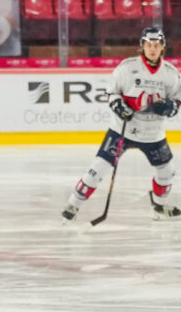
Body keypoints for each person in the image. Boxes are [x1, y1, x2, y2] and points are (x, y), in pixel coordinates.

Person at [62, 27, 181, 222]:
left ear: (163, 48)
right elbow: (111, 92)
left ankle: (158, 206)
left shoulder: (170, 74)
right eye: (148, 44)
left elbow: (178, 100)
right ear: (142, 46)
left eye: (157, 45)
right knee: (97, 169)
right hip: (121, 131)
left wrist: (170, 107)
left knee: (167, 171)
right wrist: (118, 105)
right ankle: (73, 206)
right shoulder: (127, 68)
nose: (152, 48)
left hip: (153, 134)